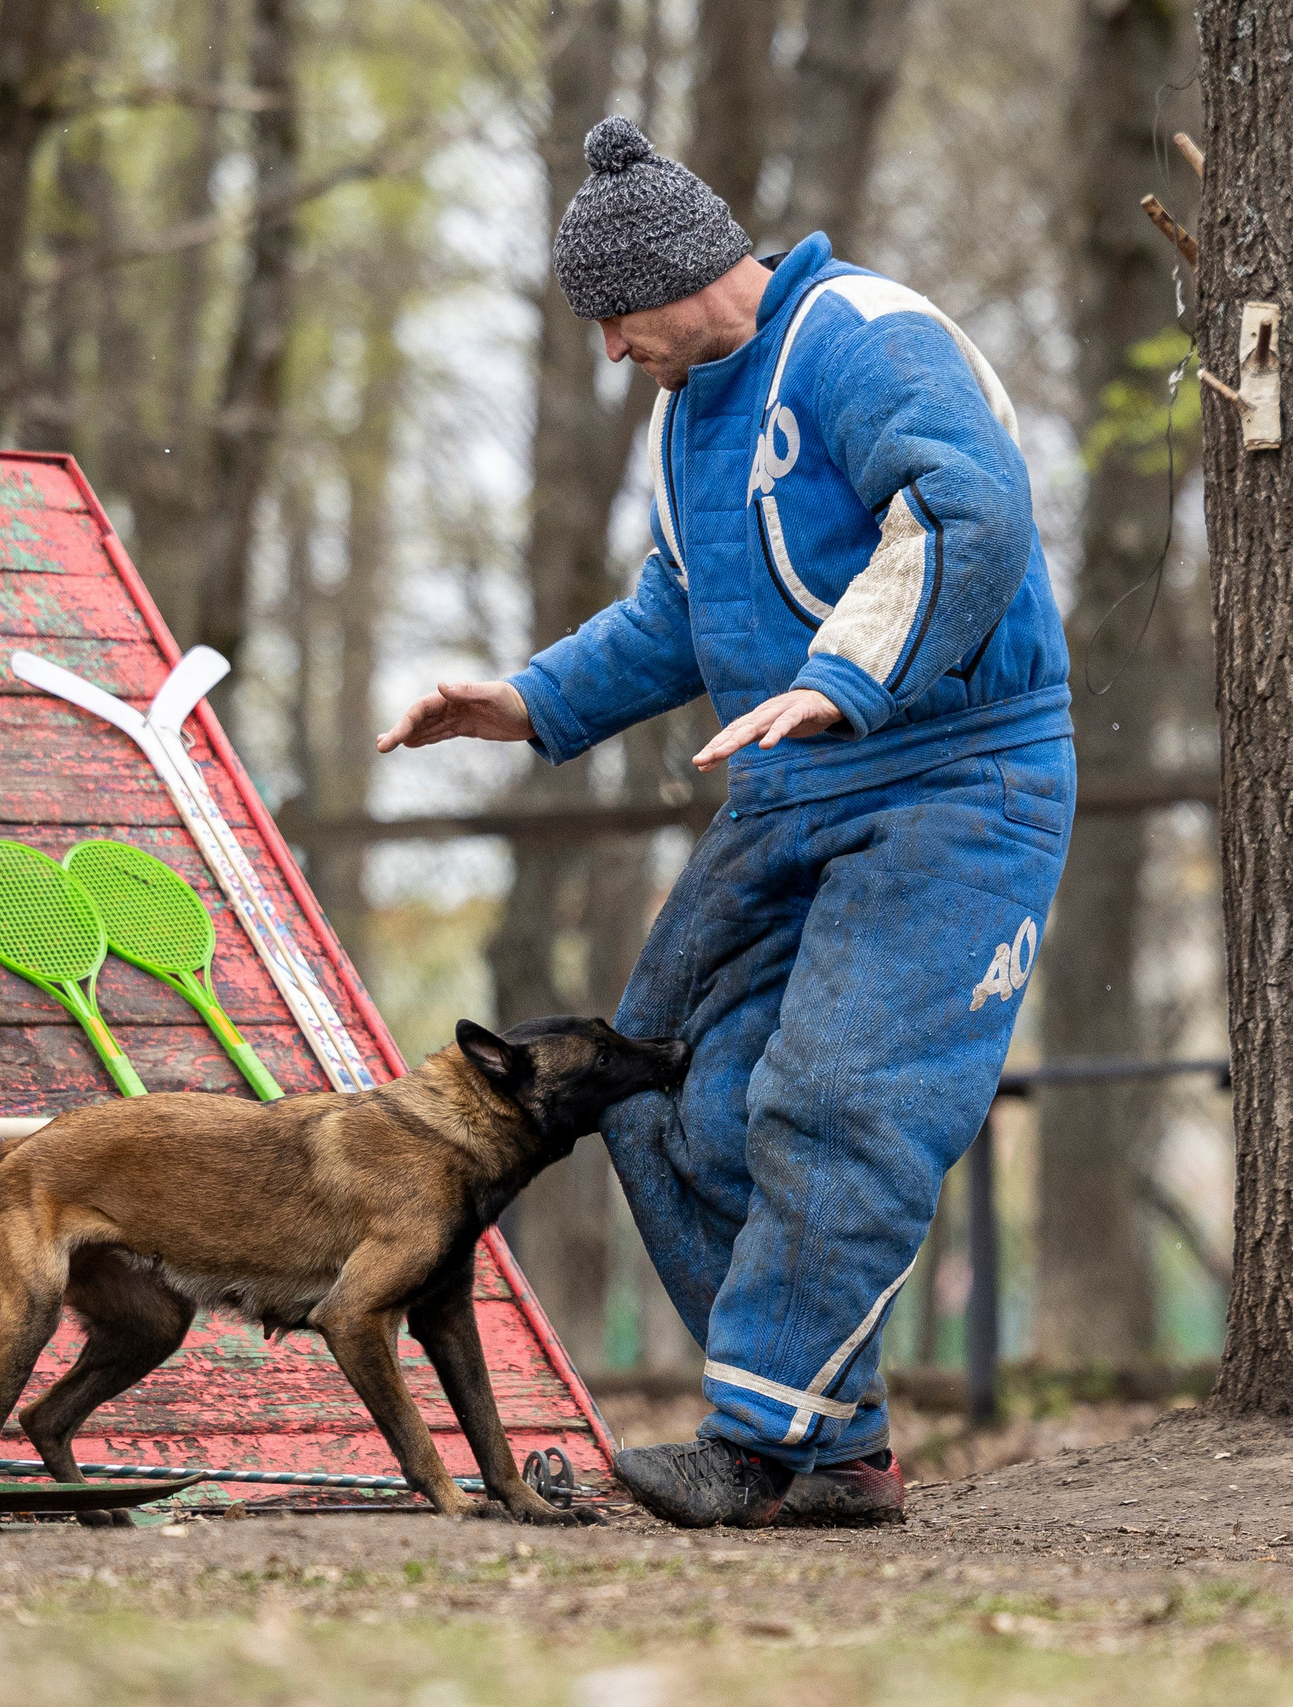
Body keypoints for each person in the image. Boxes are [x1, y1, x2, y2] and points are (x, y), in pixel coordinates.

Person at [378, 120, 1075, 1528]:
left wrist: (843, 682)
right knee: (644, 1085)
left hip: (957, 778)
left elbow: (966, 512)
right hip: (790, 787)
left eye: (615, 321)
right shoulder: (687, 408)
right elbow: (681, 613)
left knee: (838, 1097)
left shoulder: (862, 338)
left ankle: (758, 1438)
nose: (613, 351)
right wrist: (522, 702)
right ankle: (834, 1446)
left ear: (675, 276)